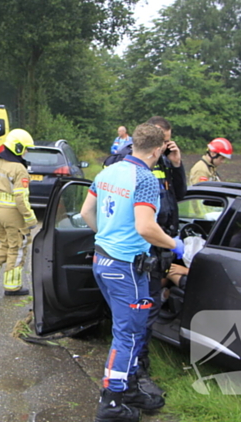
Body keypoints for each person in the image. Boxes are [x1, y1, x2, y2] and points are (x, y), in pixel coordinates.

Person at [80, 123, 184, 422]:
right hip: (127, 267)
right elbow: (145, 227)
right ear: (157, 150)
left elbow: (88, 212)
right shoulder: (146, 178)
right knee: (129, 334)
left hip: (102, 261)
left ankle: (129, 387)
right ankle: (111, 403)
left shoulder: (108, 171)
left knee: (128, 329)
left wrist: (108, 236)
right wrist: (175, 244)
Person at [136, 116, 187, 397]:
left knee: (150, 306)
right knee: (142, 309)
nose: (167, 145)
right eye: (164, 140)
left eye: (169, 140)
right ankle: (138, 371)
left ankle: (138, 365)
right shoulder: (129, 164)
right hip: (145, 244)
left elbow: (180, 195)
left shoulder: (165, 161)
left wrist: (177, 163)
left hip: (162, 245)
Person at [0, 129, 38, 296]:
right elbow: (20, 198)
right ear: (18, 147)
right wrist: (30, 218)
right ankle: (12, 286)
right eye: (25, 148)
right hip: (12, 212)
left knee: (4, 243)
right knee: (18, 246)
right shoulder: (19, 169)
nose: (26, 152)